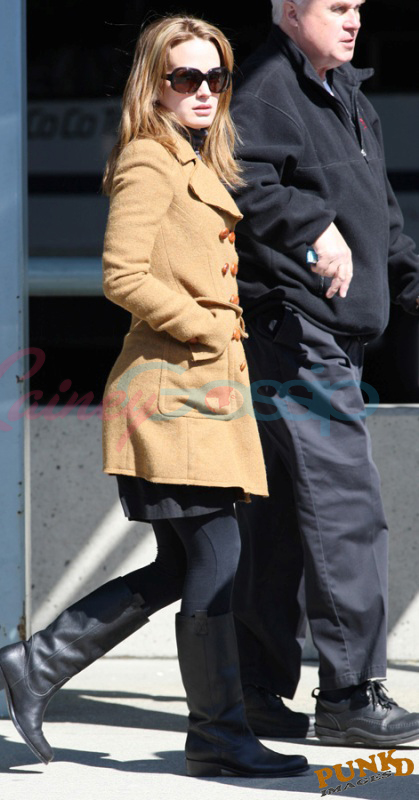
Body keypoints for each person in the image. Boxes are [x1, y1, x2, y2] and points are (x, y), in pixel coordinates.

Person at [0, 15, 308, 779]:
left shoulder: (194, 158)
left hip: (200, 394)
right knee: (216, 557)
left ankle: (34, 665)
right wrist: (206, 326)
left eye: (215, 77)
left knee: (182, 564)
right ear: (152, 86)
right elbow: (121, 274)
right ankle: (218, 735)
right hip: (170, 395)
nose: (203, 91)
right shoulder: (148, 159)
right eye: (184, 77)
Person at [230, 0, 419, 745]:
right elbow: (237, 177)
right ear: (288, 11)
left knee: (278, 518)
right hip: (295, 332)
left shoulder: (346, 94)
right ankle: (349, 696)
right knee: (346, 512)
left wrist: (410, 285)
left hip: (331, 333)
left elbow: (385, 224)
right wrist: (312, 228)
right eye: (336, 7)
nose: (353, 21)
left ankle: (251, 689)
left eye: (358, 7)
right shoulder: (266, 89)